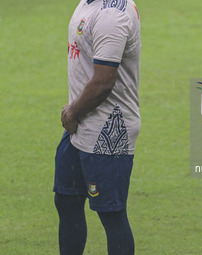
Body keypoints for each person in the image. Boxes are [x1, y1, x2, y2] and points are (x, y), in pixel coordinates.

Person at [53, 0, 141, 254]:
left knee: (111, 215)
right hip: (80, 124)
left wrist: (72, 112)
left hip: (109, 130)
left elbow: (103, 82)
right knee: (66, 200)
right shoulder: (88, 3)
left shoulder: (112, 15)